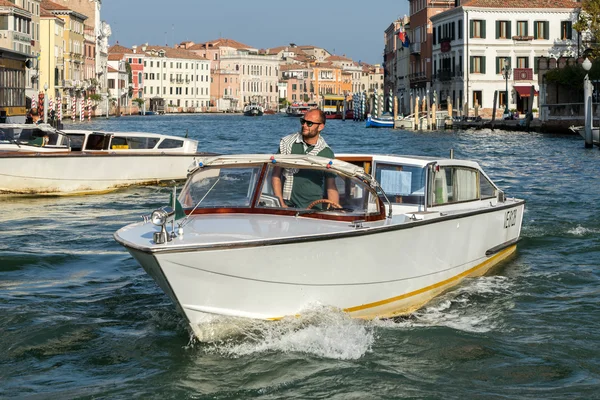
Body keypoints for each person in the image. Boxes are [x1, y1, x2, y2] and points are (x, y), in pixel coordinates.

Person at [272, 109, 339, 209]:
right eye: (303, 121)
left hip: (314, 209)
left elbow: (331, 187)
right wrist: (281, 204)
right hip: (287, 207)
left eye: (309, 123)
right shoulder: (287, 143)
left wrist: (335, 212)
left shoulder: (326, 152)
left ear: (320, 127)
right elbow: (275, 175)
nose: (304, 125)